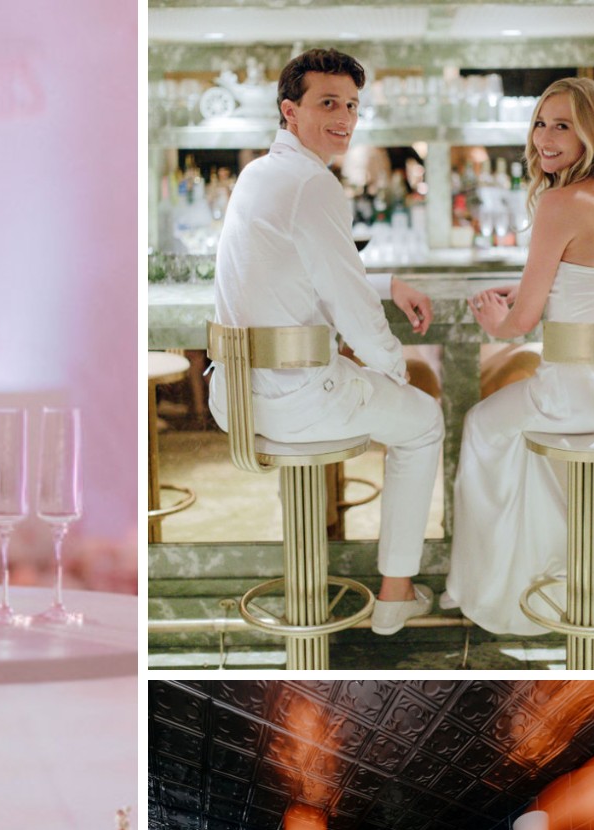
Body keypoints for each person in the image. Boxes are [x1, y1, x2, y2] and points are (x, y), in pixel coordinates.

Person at [209, 48, 443, 637]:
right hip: (297, 404)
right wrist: (395, 371)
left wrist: (386, 280)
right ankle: (395, 594)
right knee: (424, 421)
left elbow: (311, 271)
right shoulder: (313, 184)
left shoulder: (260, 174)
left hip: (233, 397)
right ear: (290, 111)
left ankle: (314, 589)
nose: (344, 116)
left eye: (352, 105)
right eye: (328, 103)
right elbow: (355, 313)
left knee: (383, 398)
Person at [444, 77, 594, 634]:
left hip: (573, 398)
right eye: (541, 122)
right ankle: (554, 574)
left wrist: (499, 321)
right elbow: (582, 285)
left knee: (481, 425)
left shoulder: (560, 202)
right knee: (524, 446)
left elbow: (521, 325)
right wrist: (527, 295)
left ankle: (487, 586)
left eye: (563, 124)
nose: (546, 136)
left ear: (593, 132)